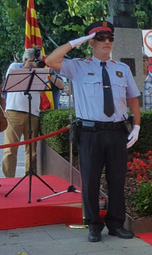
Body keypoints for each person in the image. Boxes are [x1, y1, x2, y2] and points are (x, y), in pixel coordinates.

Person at [45, 20, 141, 242]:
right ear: (91, 43)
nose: (107, 42)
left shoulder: (122, 69)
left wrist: (136, 125)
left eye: (110, 38)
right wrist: (77, 41)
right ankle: (93, 225)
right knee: (90, 180)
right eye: (101, 38)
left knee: (117, 180)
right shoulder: (78, 66)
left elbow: (133, 99)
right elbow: (51, 60)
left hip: (117, 131)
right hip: (90, 133)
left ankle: (116, 224)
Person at [2, 49, 42, 177]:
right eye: (31, 59)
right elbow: (8, 82)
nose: (34, 62)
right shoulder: (15, 66)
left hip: (33, 113)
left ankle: (29, 177)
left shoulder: (40, 71)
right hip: (14, 112)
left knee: (31, 150)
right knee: (10, 148)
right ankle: (9, 179)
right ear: (24, 59)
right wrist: (26, 67)